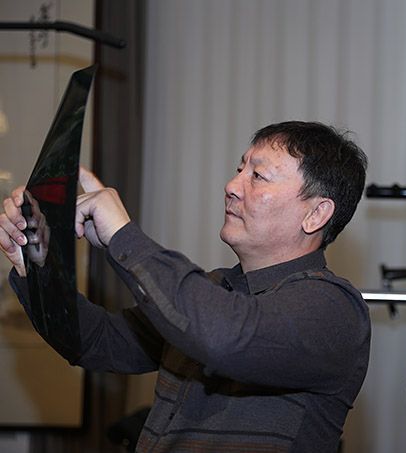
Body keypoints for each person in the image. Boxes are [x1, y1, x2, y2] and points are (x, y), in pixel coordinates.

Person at [0, 121, 371, 453]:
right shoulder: (214, 290)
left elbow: (223, 336)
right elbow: (98, 342)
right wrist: (36, 261)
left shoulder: (334, 310)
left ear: (316, 214)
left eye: (258, 176)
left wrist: (122, 236)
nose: (231, 186)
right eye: (239, 169)